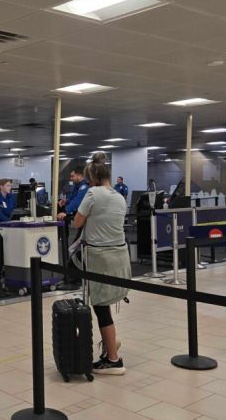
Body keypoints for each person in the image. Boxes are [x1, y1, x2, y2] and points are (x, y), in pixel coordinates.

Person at [73, 160, 130, 375]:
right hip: (120, 257)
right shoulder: (119, 196)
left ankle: (113, 360)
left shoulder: (93, 193)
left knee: (101, 308)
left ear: (93, 178)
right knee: (105, 305)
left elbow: (77, 223)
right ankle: (110, 343)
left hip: (100, 257)